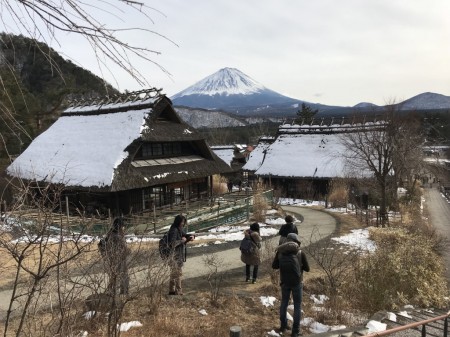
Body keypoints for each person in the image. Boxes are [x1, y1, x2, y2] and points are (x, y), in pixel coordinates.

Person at [272, 233, 310, 337]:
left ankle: (283, 326)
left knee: (284, 303)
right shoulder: (300, 252)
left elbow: (274, 266)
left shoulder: (280, 251)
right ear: (296, 241)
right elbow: (307, 269)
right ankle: (295, 331)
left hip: (284, 282)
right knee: (297, 305)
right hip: (297, 282)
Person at [167, 214, 195, 295]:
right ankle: (179, 291)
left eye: (184, 222)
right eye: (182, 222)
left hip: (177, 255)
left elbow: (185, 235)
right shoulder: (174, 230)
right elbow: (172, 243)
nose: (183, 224)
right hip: (174, 255)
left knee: (173, 273)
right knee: (178, 273)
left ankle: (171, 291)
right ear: (178, 222)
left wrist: (191, 236)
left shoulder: (178, 229)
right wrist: (183, 241)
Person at [103, 217, 130, 295]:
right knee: (122, 277)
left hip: (112, 260)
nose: (124, 228)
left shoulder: (110, 234)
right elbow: (123, 249)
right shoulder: (117, 236)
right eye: (123, 226)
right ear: (120, 226)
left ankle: (111, 292)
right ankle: (123, 294)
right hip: (119, 259)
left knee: (114, 277)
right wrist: (128, 251)